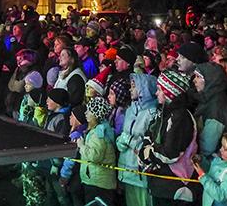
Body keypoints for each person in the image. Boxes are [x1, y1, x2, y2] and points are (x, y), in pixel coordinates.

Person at [141, 70, 197, 205]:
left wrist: (150, 152)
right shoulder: (164, 112)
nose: (156, 93)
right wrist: (147, 148)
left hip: (175, 185)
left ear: (169, 93)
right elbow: (149, 134)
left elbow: (170, 153)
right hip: (162, 184)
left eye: (160, 90)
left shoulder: (180, 118)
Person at [117, 73, 159, 206]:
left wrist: (128, 140)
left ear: (144, 88)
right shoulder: (130, 110)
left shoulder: (153, 114)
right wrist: (120, 142)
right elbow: (123, 135)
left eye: (134, 86)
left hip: (141, 173)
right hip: (127, 170)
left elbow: (149, 145)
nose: (130, 89)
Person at [77, 96, 117, 206]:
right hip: (96, 180)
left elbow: (95, 156)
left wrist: (81, 146)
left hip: (98, 183)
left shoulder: (99, 133)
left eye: (89, 110)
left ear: (96, 115)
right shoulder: (97, 130)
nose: (86, 113)